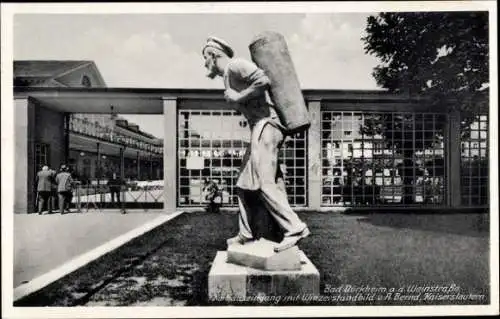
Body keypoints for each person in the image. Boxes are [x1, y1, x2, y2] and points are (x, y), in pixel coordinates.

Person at [202, 36, 310, 252]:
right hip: (260, 129)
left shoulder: (235, 66)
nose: (204, 63)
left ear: (214, 55)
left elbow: (263, 81)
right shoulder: (228, 75)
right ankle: (246, 233)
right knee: (243, 184)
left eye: (205, 58)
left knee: (264, 182)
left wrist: (237, 97)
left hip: (267, 127)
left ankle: (295, 228)